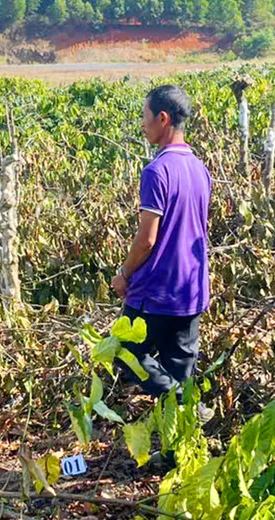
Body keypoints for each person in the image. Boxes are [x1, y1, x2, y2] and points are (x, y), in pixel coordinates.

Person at [112, 85, 212, 403]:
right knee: (179, 369)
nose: (143, 124)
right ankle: (176, 450)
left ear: (163, 118)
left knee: (125, 353)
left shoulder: (157, 172)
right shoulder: (200, 169)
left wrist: (124, 275)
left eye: (145, 116)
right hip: (192, 290)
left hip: (155, 292)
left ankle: (180, 400)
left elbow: (147, 239)